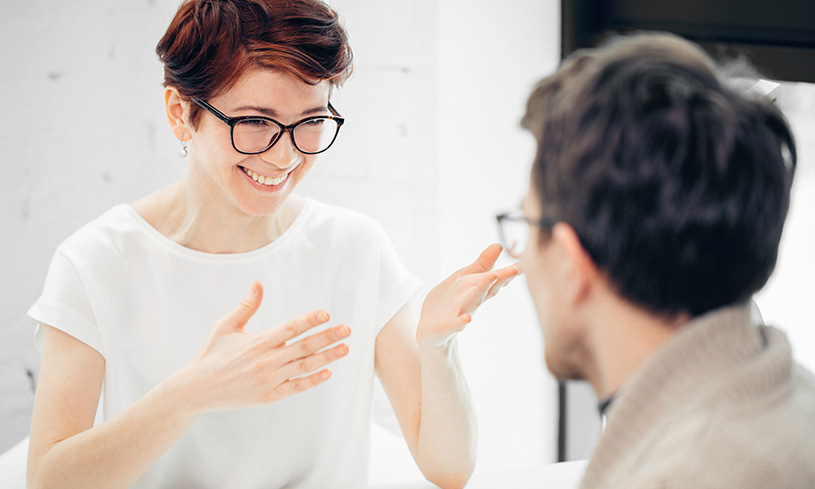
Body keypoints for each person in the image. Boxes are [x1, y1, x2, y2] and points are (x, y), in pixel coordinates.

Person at [25, 1, 519, 488]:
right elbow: (48, 480)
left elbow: (449, 468)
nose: (285, 156)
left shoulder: (355, 248)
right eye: (255, 122)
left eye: (311, 121)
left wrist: (437, 347)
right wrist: (192, 392)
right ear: (180, 113)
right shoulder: (96, 262)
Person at [497, 32, 815, 488]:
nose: (524, 259)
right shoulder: (789, 402)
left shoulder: (681, 476)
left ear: (571, 262)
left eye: (528, 225)